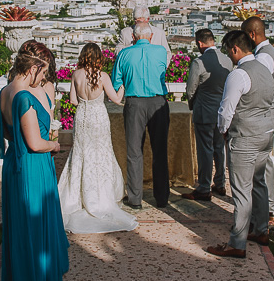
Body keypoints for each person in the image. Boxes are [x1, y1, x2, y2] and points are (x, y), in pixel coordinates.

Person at [0, 40, 69, 281]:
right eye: (43, 71)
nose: (43, 77)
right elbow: (36, 143)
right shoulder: (25, 96)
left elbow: (6, 133)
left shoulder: (5, 92)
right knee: (33, 225)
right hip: (31, 166)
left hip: (14, 163)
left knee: (17, 225)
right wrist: (56, 145)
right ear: (34, 68)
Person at [206, 30, 274, 259]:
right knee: (259, 182)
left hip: (245, 136)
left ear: (235, 49)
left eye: (228, 51)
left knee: (241, 190)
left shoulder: (238, 75)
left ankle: (237, 242)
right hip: (265, 134)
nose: (228, 56)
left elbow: (226, 109)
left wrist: (223, 132)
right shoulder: (264, 69)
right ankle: (261, 229)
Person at [57, 43, 139, 233]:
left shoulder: (76, 75)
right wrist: (124, 87)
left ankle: (77, 196)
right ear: (98, 57)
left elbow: (73, 101)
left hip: (83, 116)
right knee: (101, 153)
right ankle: (100, 196)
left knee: (80, 153)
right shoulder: (102, 76)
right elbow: (116, 99)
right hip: (98, 117)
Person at [110, 21, 171, 208]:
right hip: (158, 102)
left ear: (133, 37)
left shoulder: (124, 54)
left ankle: (135, 198)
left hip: (134, 103)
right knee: (160, 151)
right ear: (151, 36)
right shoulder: (161, 52)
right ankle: (162, 198)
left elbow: (115, 82)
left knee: (134, 152)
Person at [181, 28, 232, 201]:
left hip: (204, 111)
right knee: (219, 148)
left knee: (205, 151)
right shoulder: (227, 61)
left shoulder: (199, 62)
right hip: (222, 111)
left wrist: (192, 104)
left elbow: (190, 89)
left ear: (200, 43)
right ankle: (220, 183)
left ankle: (204, 187)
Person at [242, 16, 274, 218]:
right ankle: (266, 204)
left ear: (252, 34)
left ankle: (268, 205)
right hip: (267, 111)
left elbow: (259, 87)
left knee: (261, 163)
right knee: (262, 161)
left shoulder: (264, 57)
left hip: (264, 111)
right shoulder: (268, 52)